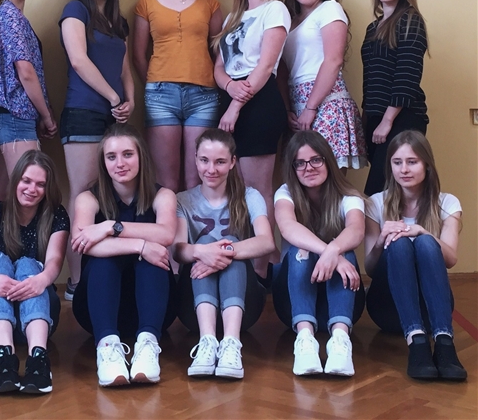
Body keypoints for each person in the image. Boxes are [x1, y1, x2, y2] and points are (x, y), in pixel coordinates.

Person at [70, 124, 177, 387]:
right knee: (106, 260)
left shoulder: (163, 195)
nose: (120, 163)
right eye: (111, 156)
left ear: (141, 156)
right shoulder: (88, 198)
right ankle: (107, 348)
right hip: (98, 310)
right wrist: (141, 245)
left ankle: (148, 346)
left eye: (128, 154)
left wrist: (111, 227)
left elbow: (165, 234)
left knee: (153, 259)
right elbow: (82, 243)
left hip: (154, 309)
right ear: (103, 162)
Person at [59, 0, 135, 301]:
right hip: (84, 112)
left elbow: (125, 68)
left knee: (109, 197)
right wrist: (113, 97)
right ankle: (76, 282)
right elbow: (78, 60)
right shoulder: (76, 10)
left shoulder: (118, 22)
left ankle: (103, 274)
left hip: (113, 116)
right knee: (83, 196)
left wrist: (129, 100)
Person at [212, 0, 289, 277]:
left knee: (258, 190)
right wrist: (229, 87)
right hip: (232, 97)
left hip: (258, 102)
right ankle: (250, 260)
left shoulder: (275, 10)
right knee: (238, 188)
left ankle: (263, 268)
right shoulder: (233, 17)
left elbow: (266, 65)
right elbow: (219, 67)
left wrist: (236, 105)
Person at [364, 131, 466, 381]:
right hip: (388, 308)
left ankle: (444, 343)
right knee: (398, 244)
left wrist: (423, 232)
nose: (404, 170)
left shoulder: (447, 203)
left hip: (433, 311)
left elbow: (450, 259)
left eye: (412, 162)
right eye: (397, 162)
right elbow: (370, 268)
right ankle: (417, 344)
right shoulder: (375, 203)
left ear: (427, 164)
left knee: (425, 242)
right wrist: (381, 240)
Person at [0, 150, 68, 394]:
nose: (32, 189)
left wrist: (41, 279)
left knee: (29, 265)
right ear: (15, 181)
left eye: (40, 184)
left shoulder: (56, 215)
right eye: (26, 181)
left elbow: (54, 260)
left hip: (38, 320)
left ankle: (38, 358)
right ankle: (4, 358)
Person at [173, 128, 274, 379]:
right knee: (206, 241)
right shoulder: (182, 200)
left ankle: (231, 344)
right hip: (193, 310)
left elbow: (266, 242)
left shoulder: (250, 196)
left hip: (245, 308)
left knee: (230, 244)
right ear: (195, 159)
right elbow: (178, 250)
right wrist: (203, 251)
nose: (211, 169)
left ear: (232, 162)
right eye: (204, 160)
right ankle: (206, 342)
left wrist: (224, 252)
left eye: (220, 162)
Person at [133, 0, 222, 192]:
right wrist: (154, 83)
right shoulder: (146, 2)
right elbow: (138, 53)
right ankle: (169, 222)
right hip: (160, 96)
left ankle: (194, 223)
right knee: (166, 182)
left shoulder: (210, 2)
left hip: (204, 96)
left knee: (197, 180)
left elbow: (219, 52)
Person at [271, 131, 365, 377]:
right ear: (292, 168)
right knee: (300, 251)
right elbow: (288, 228)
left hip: (341, 306)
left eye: (316, 160)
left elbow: (356, 230)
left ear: (328, 161)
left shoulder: (348, 195)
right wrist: (330, 252)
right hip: (294, 305)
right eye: (300, 163)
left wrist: (336, 250)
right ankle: (305, 341)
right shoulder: (285, 193)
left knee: (346, 253)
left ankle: (340, 342)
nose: (308, 168)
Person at [0, 0, 57, 201]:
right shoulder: (10, 17)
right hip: (14, 115)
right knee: (28, 196)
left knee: (4, 198)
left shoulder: (11, 16)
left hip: (9, 115)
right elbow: (25, 72)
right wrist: (46, 116)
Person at [280, 0, 367, 170]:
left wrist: (311, 107)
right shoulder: (291, 20)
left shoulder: (329, 9)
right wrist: (287, 108)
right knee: (303, 174)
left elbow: (333, 60)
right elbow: (283, 69)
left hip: (326, 102)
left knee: (329, 175)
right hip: (297, 103)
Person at [362, 0, 428, 195]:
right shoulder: (373, 28)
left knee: (376, 194)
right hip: (376, 119)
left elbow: (407, 76)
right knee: (388, 196)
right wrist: (367, 120)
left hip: (401, 119)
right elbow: (371, 78)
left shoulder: (410, 21)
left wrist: (387, 121)